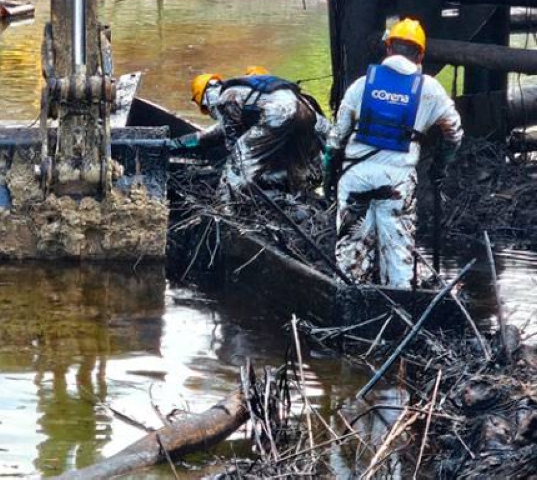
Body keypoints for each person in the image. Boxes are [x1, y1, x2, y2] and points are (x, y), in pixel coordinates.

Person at [323, 18, 463, 288]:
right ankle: (398, 307)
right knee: (398, 255)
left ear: (388, 49)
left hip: (355, 176)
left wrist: (329, 176)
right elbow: (454, 133)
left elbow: (335, 140)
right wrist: (440, 166)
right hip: (397, 182)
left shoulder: (362, 84)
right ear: (420, 56)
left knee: (351, 255)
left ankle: (349, 302)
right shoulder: (430, 90)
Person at [168, 69, 330, 200]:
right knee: (299, 175)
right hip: (304, 113)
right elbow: (214, 133)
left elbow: (233, 145)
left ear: (204, 98)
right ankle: (301, 203)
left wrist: (234, 167)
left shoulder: (224, 99)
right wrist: (175, 144)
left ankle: (226, 210)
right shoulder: (246, 92)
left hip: (278, 115)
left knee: (234, 170)